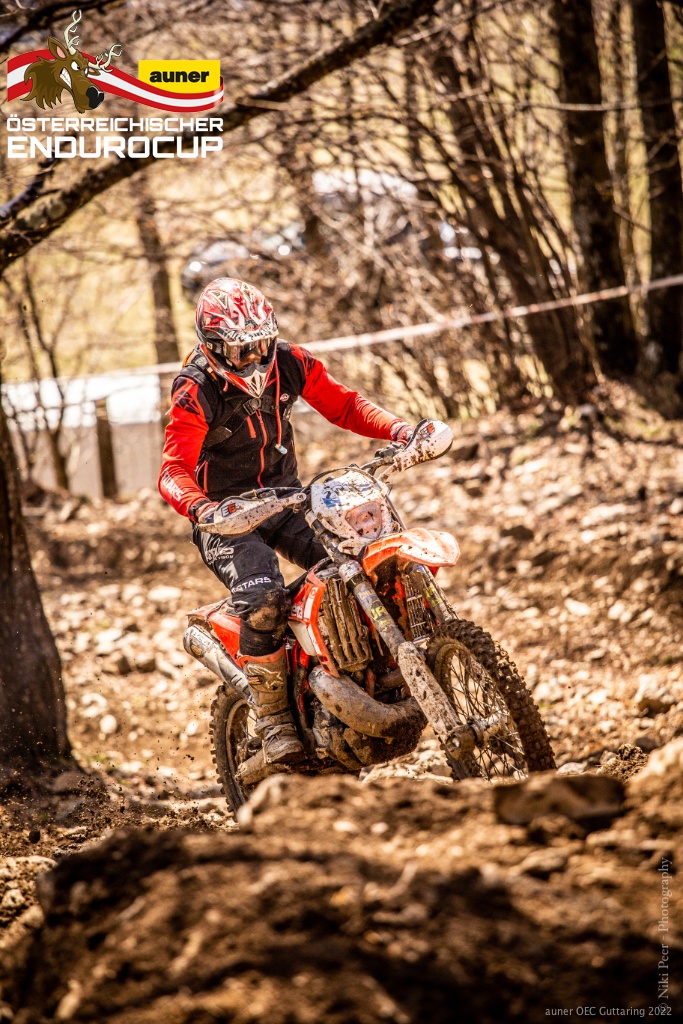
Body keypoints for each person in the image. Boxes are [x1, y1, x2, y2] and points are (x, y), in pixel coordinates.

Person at [158, 278, 413, 765]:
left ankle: (370, 669)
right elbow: (173, 470)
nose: (255, 359)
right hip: (227, 517)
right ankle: (273, 717)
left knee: (359, 562)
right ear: (213, 347)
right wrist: (203, 509)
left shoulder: (291, 361)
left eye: (261, 345)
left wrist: (399, 430)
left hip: (287, 497)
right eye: (240, 351)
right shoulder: (195, 389)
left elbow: (345, 404)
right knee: (264, 598)